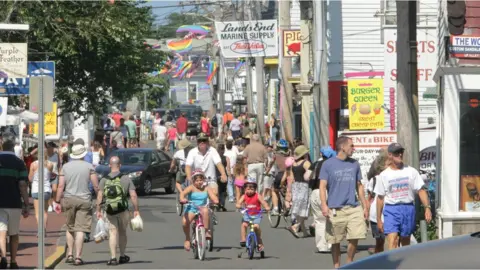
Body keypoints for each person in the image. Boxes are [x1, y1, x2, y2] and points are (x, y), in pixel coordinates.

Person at [319, 136, 368, 268]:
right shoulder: (328, 164)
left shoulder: (354, 164)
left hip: (353, 207)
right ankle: (337, 266)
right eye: (351, 146)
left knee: (355, 236)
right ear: (343, 147)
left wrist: (365, 205)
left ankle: (349, 262)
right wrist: (324, 205)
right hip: (335, 209)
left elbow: (359, 185)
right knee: (335, 240)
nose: (354, 149)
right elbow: (322, 186)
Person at [375, 142, 432, 250]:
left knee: (406, 240)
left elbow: (421, 190)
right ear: (390, 155)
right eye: (397, 153)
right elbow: (380, 198)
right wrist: (378, 219)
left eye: (401, 152)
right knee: (393, 239)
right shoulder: (384, 175)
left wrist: (427, 208)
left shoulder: (411, 171)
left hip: (408, 208)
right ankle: (393, 265)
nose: (400, 155)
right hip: (391, 209)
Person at [55, 143, 100, 266]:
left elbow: (60, 185)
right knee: (80, 229)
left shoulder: (65, 167)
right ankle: (78, 257)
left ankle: (69, 254)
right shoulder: (89, 166)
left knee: (70, 227)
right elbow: (96, 185)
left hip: (69, 199)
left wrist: (57, 200)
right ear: (83, 154)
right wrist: (100, 199)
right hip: (84, 199)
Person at [96, 156, 140, 265]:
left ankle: (112, 258)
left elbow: (99, 197)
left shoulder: (104, 179)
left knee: (112, 232)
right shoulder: (126, 178)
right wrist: (136, 209)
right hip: (123, 209)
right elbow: (133, 196)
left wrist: (98, 210)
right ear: (120, 165)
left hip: (110, 209)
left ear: (110, 165)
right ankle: (122, 255)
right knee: (123, 232)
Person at [0, 133, 30, 269]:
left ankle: (3, 258)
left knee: (1, 232)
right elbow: (22, 185)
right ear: (13, 147)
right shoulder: (19, 163)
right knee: (14, 234)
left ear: (2, 145)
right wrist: (26, 204)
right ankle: (13, 261)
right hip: (14, 203)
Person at [179, 169, 219, 251]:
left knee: (205, 210)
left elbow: (213, 196)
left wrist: (215, 200)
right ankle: (187, 239)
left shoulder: (206, 188)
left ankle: (207, 231)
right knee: (184, 222)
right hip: (192, 208)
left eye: (201, 180)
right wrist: (182, 199)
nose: (199, 182)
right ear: (193, 181)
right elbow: (183, 194)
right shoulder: (191, 188)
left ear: (204, 180)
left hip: (202, 208)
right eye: (197, 180)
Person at [310, 146, 336, 253]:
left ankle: (321, 246)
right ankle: (330, 243)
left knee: (319, 220)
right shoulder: (332, 165)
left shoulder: (316, 164)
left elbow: (307, 176)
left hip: (314, 192)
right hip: (326, 192)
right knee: (330, 218)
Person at [185, 133, 227, 198]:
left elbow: (218, 163)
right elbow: (188, 166)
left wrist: (223, 174)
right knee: (193, 196)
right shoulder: (192, 152)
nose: (202, 142)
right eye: (199, 141)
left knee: (214, 193)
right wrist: (189, 177)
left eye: (204, 140)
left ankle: (212, 207)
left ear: (207, 142)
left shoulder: (213, 150)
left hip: (210, 180)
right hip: (196, 180)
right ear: (197, 142)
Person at [283, 145, 312, 238]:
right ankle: (296, 226)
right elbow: (311, 174)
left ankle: (304, 231)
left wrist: (289, 191)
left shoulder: (294, 164)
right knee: (304, 208)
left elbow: (291, 178)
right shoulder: (306, 163)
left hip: (296, 186)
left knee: (299, 207)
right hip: (304, 186)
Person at [236, 178, 270, 250]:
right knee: (244, 225)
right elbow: (238, 203)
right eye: (248, 189)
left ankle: (260, 243)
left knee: (256, 227)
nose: (250, 191)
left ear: (255, 190)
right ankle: (243, 239)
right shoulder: (244, 196)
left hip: (257, 214)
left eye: (252, 189)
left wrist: (267, 207)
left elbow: (263, 203)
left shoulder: (258, 196)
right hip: (247, 214)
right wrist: (239, 206)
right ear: (245, 189)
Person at [28, 150, 53, 238]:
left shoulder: (34, 164)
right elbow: (50, 176)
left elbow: (30, 178)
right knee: (45, 212)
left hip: (36, 189)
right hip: (46, 189)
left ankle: (40, 230)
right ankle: (44, 230)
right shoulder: (50, 164)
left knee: (38, 213)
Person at [271, 139, 290, 216]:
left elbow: (271, 163)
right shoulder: (290, 155)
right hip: (289, 175)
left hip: (280, 174)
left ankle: (275, 208)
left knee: (274, 190)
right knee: (288, 190)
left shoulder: (275, 155)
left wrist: (267, 170)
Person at [46, 142, 61, 213]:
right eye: (48, 147)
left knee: (54, 189)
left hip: (55, 174)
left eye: (50, 147)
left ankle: (54, 202)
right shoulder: (45, 155)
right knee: (49, 191)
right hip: (47, 175)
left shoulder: (56, 155)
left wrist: (60, 173)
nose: (49, 148)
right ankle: (49, 205)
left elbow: (59, 165)